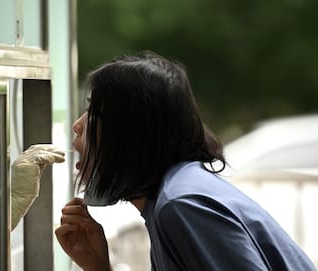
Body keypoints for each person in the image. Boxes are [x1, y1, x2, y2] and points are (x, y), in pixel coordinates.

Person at [54, 51, 316, 271]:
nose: (78, 125)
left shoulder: (181, 204)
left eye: (93, 113)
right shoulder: (171, 196)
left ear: (129, 134)